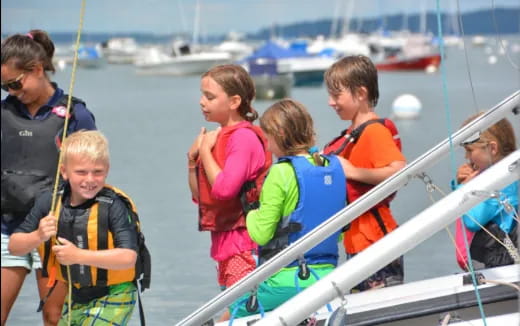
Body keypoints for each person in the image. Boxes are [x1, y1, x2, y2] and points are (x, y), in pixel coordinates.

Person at [1, 30, 96, 325]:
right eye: (4, 86)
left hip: (57, 230)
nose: (12, 92)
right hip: (7, 229)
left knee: (55, 318)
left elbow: (92, 176)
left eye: (15, 84)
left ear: (38, 69)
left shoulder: (76, 114)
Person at [228, 98, 346, 318]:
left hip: (288, 279)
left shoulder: (281, 172)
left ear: (280, 134)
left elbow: (261, 234)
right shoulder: (332, 168)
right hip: (328, 276)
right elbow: (337, 237)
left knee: (233, 305)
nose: (268, 146)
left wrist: (251, 213)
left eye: (268, 138)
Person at [8, 130, 141, 325]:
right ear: (64, 172)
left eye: (98, 172)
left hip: (115, 294)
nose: (89, 179)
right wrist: (38, 235)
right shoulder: (49, 202)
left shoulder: (113, 206)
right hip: (76, 296)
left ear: (107, 169)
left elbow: (128, 257)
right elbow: (14, 246)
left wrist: (78, 256)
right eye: (81, 172)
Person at [187, 64, 272, 319]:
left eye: (210, 97)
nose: (202, 102)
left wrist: (204, 152)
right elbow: (200, 197)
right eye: (202, 95)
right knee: (237, 309)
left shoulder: (243, 138)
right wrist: (192, 162)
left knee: (241, 311)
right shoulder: (219, 136)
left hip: (245, 243)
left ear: (235, 101)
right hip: (225, 243)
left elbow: (224, 190)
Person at [322, 55, 407, 292]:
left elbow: (399, 170)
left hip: (376, 241)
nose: (331, 102)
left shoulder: (374, 132)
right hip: (358, 241)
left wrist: (352, 171)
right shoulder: (353, 133)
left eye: (336, 95)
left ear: (360, 93)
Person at [454, 112, 518, 270]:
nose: (466, 156)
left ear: (492, 148)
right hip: (485, 263)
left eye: (470, 150)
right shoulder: (495, 176)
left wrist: (464, 189)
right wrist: (461, 184)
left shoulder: (503, 183)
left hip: (497, 263)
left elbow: (473, 221)